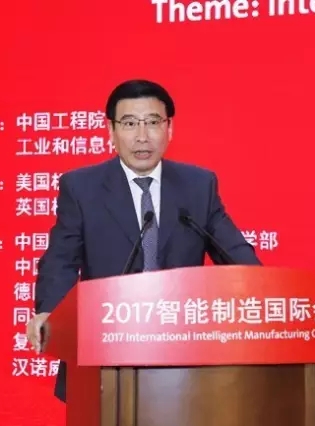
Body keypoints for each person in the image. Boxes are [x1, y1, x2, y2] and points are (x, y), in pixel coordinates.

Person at [26, 79, 262, 402]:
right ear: (111, 131)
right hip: (105, 349)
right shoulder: (81, 188)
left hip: (183, 355)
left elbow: (233, 251)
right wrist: (51, 313)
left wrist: (264, 293)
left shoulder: (198, 185)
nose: (142, 136)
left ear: (169, 129)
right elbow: (61, 260)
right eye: (129, 123)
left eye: (152, 122)